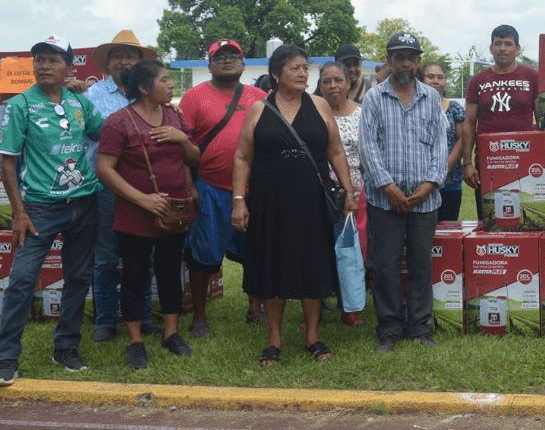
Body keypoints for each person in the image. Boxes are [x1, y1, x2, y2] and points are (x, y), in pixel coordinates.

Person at [231, 45, 359, 366]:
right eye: (295, 68)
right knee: (272, 266)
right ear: (276, 74)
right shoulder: (259, 110)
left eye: (305, 68)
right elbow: (243, 157)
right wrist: (238, 201)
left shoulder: (319, 105)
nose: (303, 73)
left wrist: (348, 191)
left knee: (312, 265)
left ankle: (312, 335)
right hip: (268, 201)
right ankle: (274, 337)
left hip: (311, 200)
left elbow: (336, 152)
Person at [0, 36, 106, 385]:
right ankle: (5, 355)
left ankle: (66, 348)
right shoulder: (20, 106)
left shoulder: (79, 101)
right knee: (22, 281)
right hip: (39, 210)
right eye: (39, 60)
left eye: (53, 60)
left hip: (85, 203)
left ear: (68, 68)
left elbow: (104, 132)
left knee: (77, 278)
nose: (44, 66)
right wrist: (18, 212)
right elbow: (7, 161)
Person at [95, 60, 200, 370]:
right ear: (143, 87)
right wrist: (143, 199)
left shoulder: (174, 117)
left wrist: (183, 139)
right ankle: (135, 341)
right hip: (134, 213)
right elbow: (104, 169)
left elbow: (194, 158)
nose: (171, 85)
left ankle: (171, 335)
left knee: (169, 272)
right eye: (165, 80)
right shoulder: (119, 122)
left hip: (174, 212)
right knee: (135, 275)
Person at [360, 32, 448, 351]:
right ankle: (389, 326)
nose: (406, 63)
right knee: (386, 264)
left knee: (421, 263)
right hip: (385, 200)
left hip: (425, 201)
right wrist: (388, 186)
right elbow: (367, 145)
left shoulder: (430, 98)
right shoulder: (374, 98)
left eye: (411, 57)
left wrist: (429, 184)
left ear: (418, 61)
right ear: (389, 61)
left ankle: (420, 325)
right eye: (399, 57)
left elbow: (441, 145)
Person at [178, 39, 267, 336]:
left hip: (254, 188)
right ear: (209, 65)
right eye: (220, 57)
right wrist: (190, 187)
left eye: (233, 56)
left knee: (256, 252)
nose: (227, 61)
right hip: (210, 187)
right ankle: (200, 316)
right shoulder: (195, 97)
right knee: (202, 255)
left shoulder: (259, 96)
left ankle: (255, 309)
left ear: (243, 64)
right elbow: (183, 147)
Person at [83, 30, 161, 343]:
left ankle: (141, 317)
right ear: (109, 64)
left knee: (142, 256)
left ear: (141, 63)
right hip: (106, 187)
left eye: (131, 56)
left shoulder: (150, 94)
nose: (124, 61)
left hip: (145, 186)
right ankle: (105, 321)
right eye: (118, 56)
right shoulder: (92, 96)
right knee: (105, 258)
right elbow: (88, 134)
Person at [461, 25, 539, 215]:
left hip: (524, 160)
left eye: (508, 44)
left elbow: (542, 121)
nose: (502, 48)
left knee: (525, 218)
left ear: (517, 48)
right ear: (491, 48)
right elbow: (469, 124)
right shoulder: (478, 80)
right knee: (488, 219)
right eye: (497, 43)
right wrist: (468, 163)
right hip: (488, 161)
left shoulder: (532, 77)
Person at [316, 60, 367, 326]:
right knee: (319, 251)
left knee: (349, 252)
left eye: (338, 80)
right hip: (319, 195)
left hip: (353, 195)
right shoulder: (311, 113)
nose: (333, 86)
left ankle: (350, 309)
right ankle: (317, 305)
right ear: (320, 85)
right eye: (327, 81)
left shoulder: (363, 113)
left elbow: (370, 153)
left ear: (349, 83)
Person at [420, 61, 466, 222]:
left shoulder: (454, 108)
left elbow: (462, 140)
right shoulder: (413, 107)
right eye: (430, 77)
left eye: (440, 77)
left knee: (448, 232)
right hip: (419, 182)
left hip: (450, 180)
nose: (435, 81)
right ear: (420, 79)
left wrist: (443, 169)